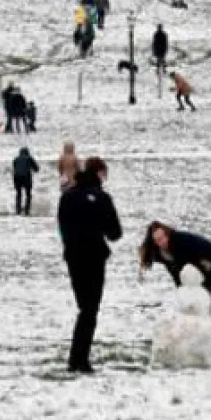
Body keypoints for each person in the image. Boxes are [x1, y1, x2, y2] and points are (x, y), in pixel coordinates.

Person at [57, 156, 121, 374]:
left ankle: (77, 358)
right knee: (90, 310)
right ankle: (78, 359)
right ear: (100, 173)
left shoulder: (67, 197)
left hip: (73, 256)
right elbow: (115, 233)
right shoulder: (102, 198)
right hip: (94, 256)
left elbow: (61, 227)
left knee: (84, 307)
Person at [139, 222, 211, 367]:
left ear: (168, 234)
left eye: (163, 237)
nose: (162, 242)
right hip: (194, 280)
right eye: (157, 240)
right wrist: (182, 291)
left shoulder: (183, 243)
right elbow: (177, 274)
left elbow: (206, 262)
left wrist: (202, 287)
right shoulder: (161, 253)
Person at [12, 146, 39, 215]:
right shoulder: (29, 158)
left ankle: (18, 210)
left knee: (18, 194)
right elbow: (36, 168)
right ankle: (27, 210)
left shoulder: (16, 159)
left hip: (16, 177)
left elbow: (14, 168)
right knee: (28, 194)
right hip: (26, 177)